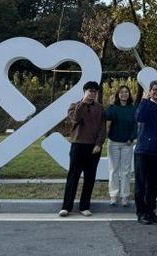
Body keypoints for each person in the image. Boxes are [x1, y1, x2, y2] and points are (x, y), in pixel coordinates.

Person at [58, 81, 106, 217]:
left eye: (95, 92)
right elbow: (75, 119)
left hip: (93, 147)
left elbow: (102, 128)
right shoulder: (74, 106)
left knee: (90, 178)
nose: (92, 94)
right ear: (84, 92)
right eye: (90, 91)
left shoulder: (100, 108)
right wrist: (83, 103)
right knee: (73, 176)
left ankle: (85, 206)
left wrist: (99, 144)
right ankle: (66, 207)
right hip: (78, 145)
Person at [134, 80, 157, 225]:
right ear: (150, 91)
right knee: (141, 184)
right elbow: (139, 117)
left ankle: (150, 211)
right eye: (154, 90)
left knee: (152, 185)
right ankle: (141, 213)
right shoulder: (146, 105)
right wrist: (144, 100)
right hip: (143, 150)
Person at [106, 84, 137, 207]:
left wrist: (131, 138)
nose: (124, 94)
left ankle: (125, 196)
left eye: (126, 92)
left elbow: (136, 126)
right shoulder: (114, 108)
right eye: (121, 92)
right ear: (118, 95)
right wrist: (111, 105)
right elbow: (107, 117)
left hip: (127, 144)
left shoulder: (133, 109)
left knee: (125, 171)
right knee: (113, 170)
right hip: (113, 143)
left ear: (129, 94)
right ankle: (113, 195)